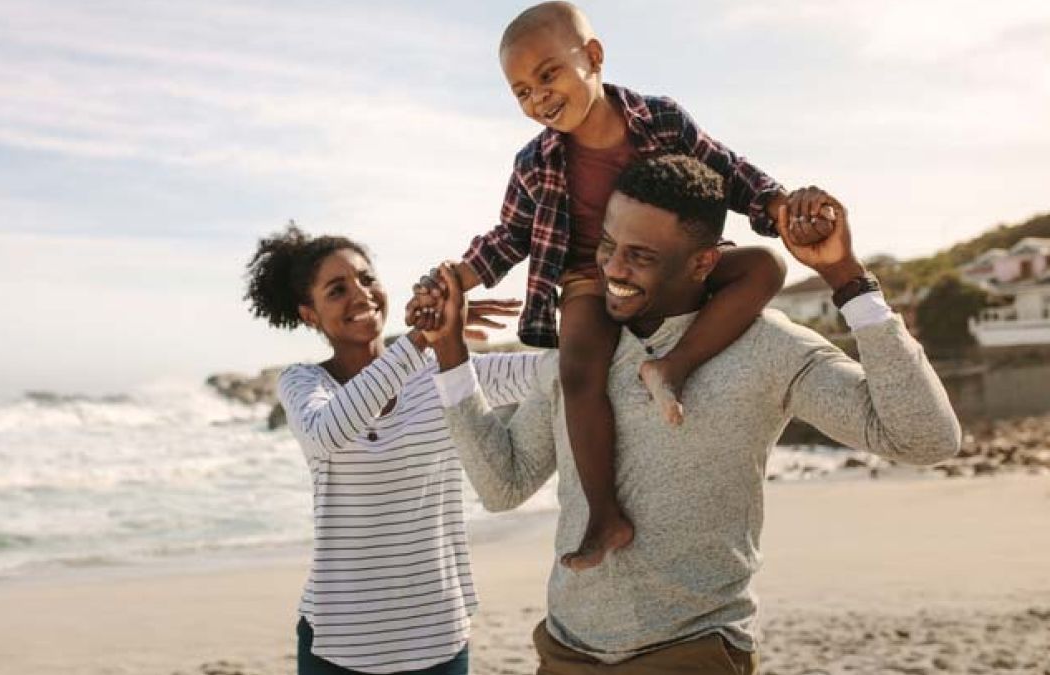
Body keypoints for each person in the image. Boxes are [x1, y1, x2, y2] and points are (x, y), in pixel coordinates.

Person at [422, 155, 961, 673]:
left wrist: (846, 279)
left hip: (693, 653)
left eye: (642, 255)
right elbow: (503, 485)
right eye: (608, 245)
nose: (613, 268)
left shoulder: (766, 347)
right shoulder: (581, 355)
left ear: (704, 262)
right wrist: (451, 355)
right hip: (566, 652)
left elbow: (925, 437)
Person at [417, 1, 839, 570]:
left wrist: (779, 205)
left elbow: (730, 171)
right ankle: (604, 514)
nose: (538, 98)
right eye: (520, 92)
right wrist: (455, 279)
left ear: (592, 57)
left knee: (766, 268)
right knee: (578, 366)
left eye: (548, 75)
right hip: (592, 277)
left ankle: (674, 366)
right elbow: (510, 237)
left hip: (669, 270)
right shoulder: (534, 162)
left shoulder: (661, 119)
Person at [243, 225, 541, 675]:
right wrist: (420, 338)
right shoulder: (303, 383)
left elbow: (555, 372)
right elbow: (328, 432)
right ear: (310, 314)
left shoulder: (443, 369)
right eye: (337, 289)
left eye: (367, 279)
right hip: (339, 642)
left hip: (438, 634)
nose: (360, 295)